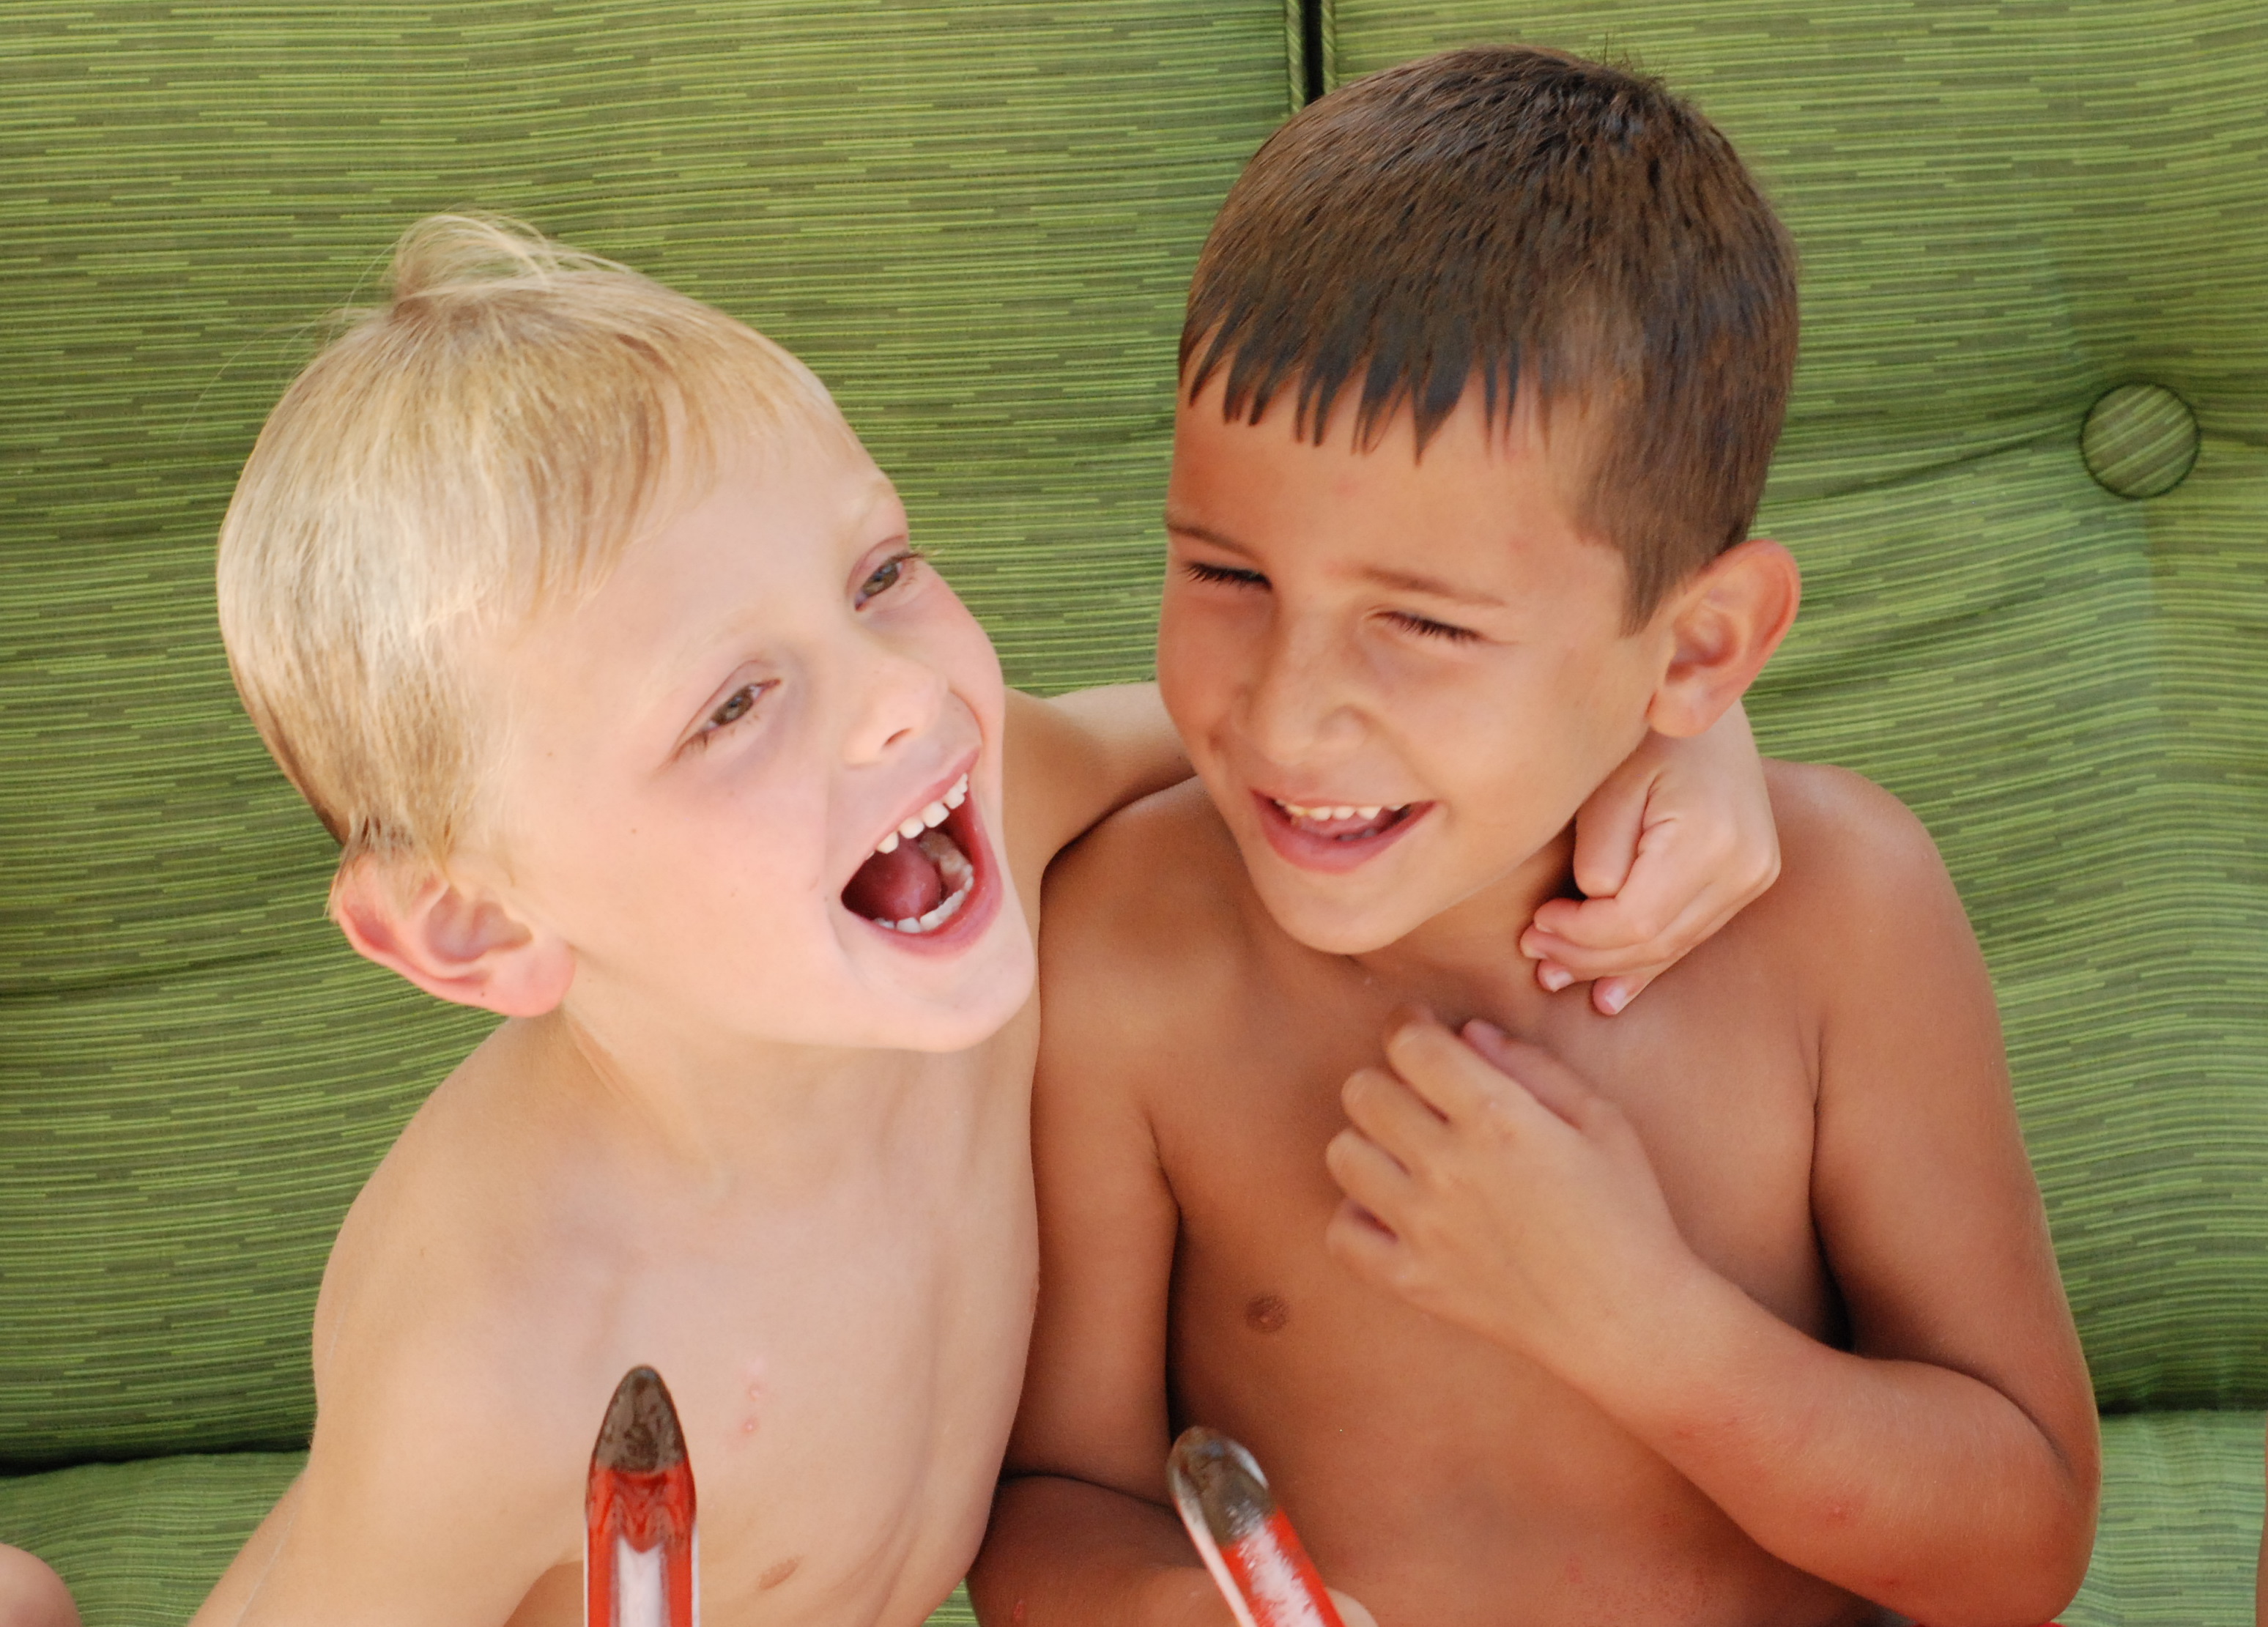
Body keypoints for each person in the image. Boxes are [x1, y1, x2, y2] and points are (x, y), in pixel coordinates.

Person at [182, 212, 1771, 1626]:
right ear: (473, 926)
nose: (900, 699)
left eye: (878, 576)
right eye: (732, 705)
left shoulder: (994, 817)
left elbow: (1278, 749)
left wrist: (1670, 725)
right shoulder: (498, 1356)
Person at [971, 45, 2100, 1627]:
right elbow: (1054, 1502)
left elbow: (2019, 1546)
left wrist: (1642, 1326)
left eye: (1423, 625)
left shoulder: (1846, 918)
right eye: (1226, 575)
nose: (1287, 718)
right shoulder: (1125, 955)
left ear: (1699, 650)